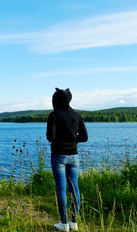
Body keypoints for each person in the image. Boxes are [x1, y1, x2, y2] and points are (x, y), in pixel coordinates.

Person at [46, 88, 88, 232]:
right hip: (74, 156)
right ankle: (74, 222)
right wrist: (72, 138)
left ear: (56, 101)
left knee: (61, 188)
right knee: (74, 188)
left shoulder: (54, 115)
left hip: (58, 156)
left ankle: (64, 223)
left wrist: (60, 138)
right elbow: (84, 137)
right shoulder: (76, 116)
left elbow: (50, 137)